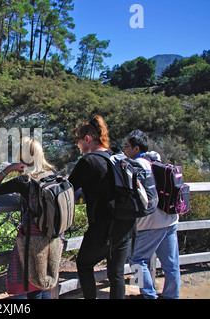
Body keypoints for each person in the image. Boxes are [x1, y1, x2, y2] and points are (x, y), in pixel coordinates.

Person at [68, 115, 136, 299]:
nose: (78, 146)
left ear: (87, 139)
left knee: (84, 264)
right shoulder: (116, 156)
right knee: (117, 274)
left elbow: (67, 188)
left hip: (103, 228)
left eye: (78, 141)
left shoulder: (88, 161)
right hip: (125, 225)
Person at [0, 136, 57, 299]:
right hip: (52, 236)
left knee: (28, 286)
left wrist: (9, 169)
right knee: (41, 283)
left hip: (32, 238)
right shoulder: (52, 174)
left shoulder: (24, 181)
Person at [124, 129, 180, 299]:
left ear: (136, 148)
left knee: (136, 260)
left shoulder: (137, 165)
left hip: (150, 223)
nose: (124, 150)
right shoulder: (156, 160)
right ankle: (172, 296)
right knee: (171, 264)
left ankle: (148, 295)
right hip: (170, 220)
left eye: (127, 146)